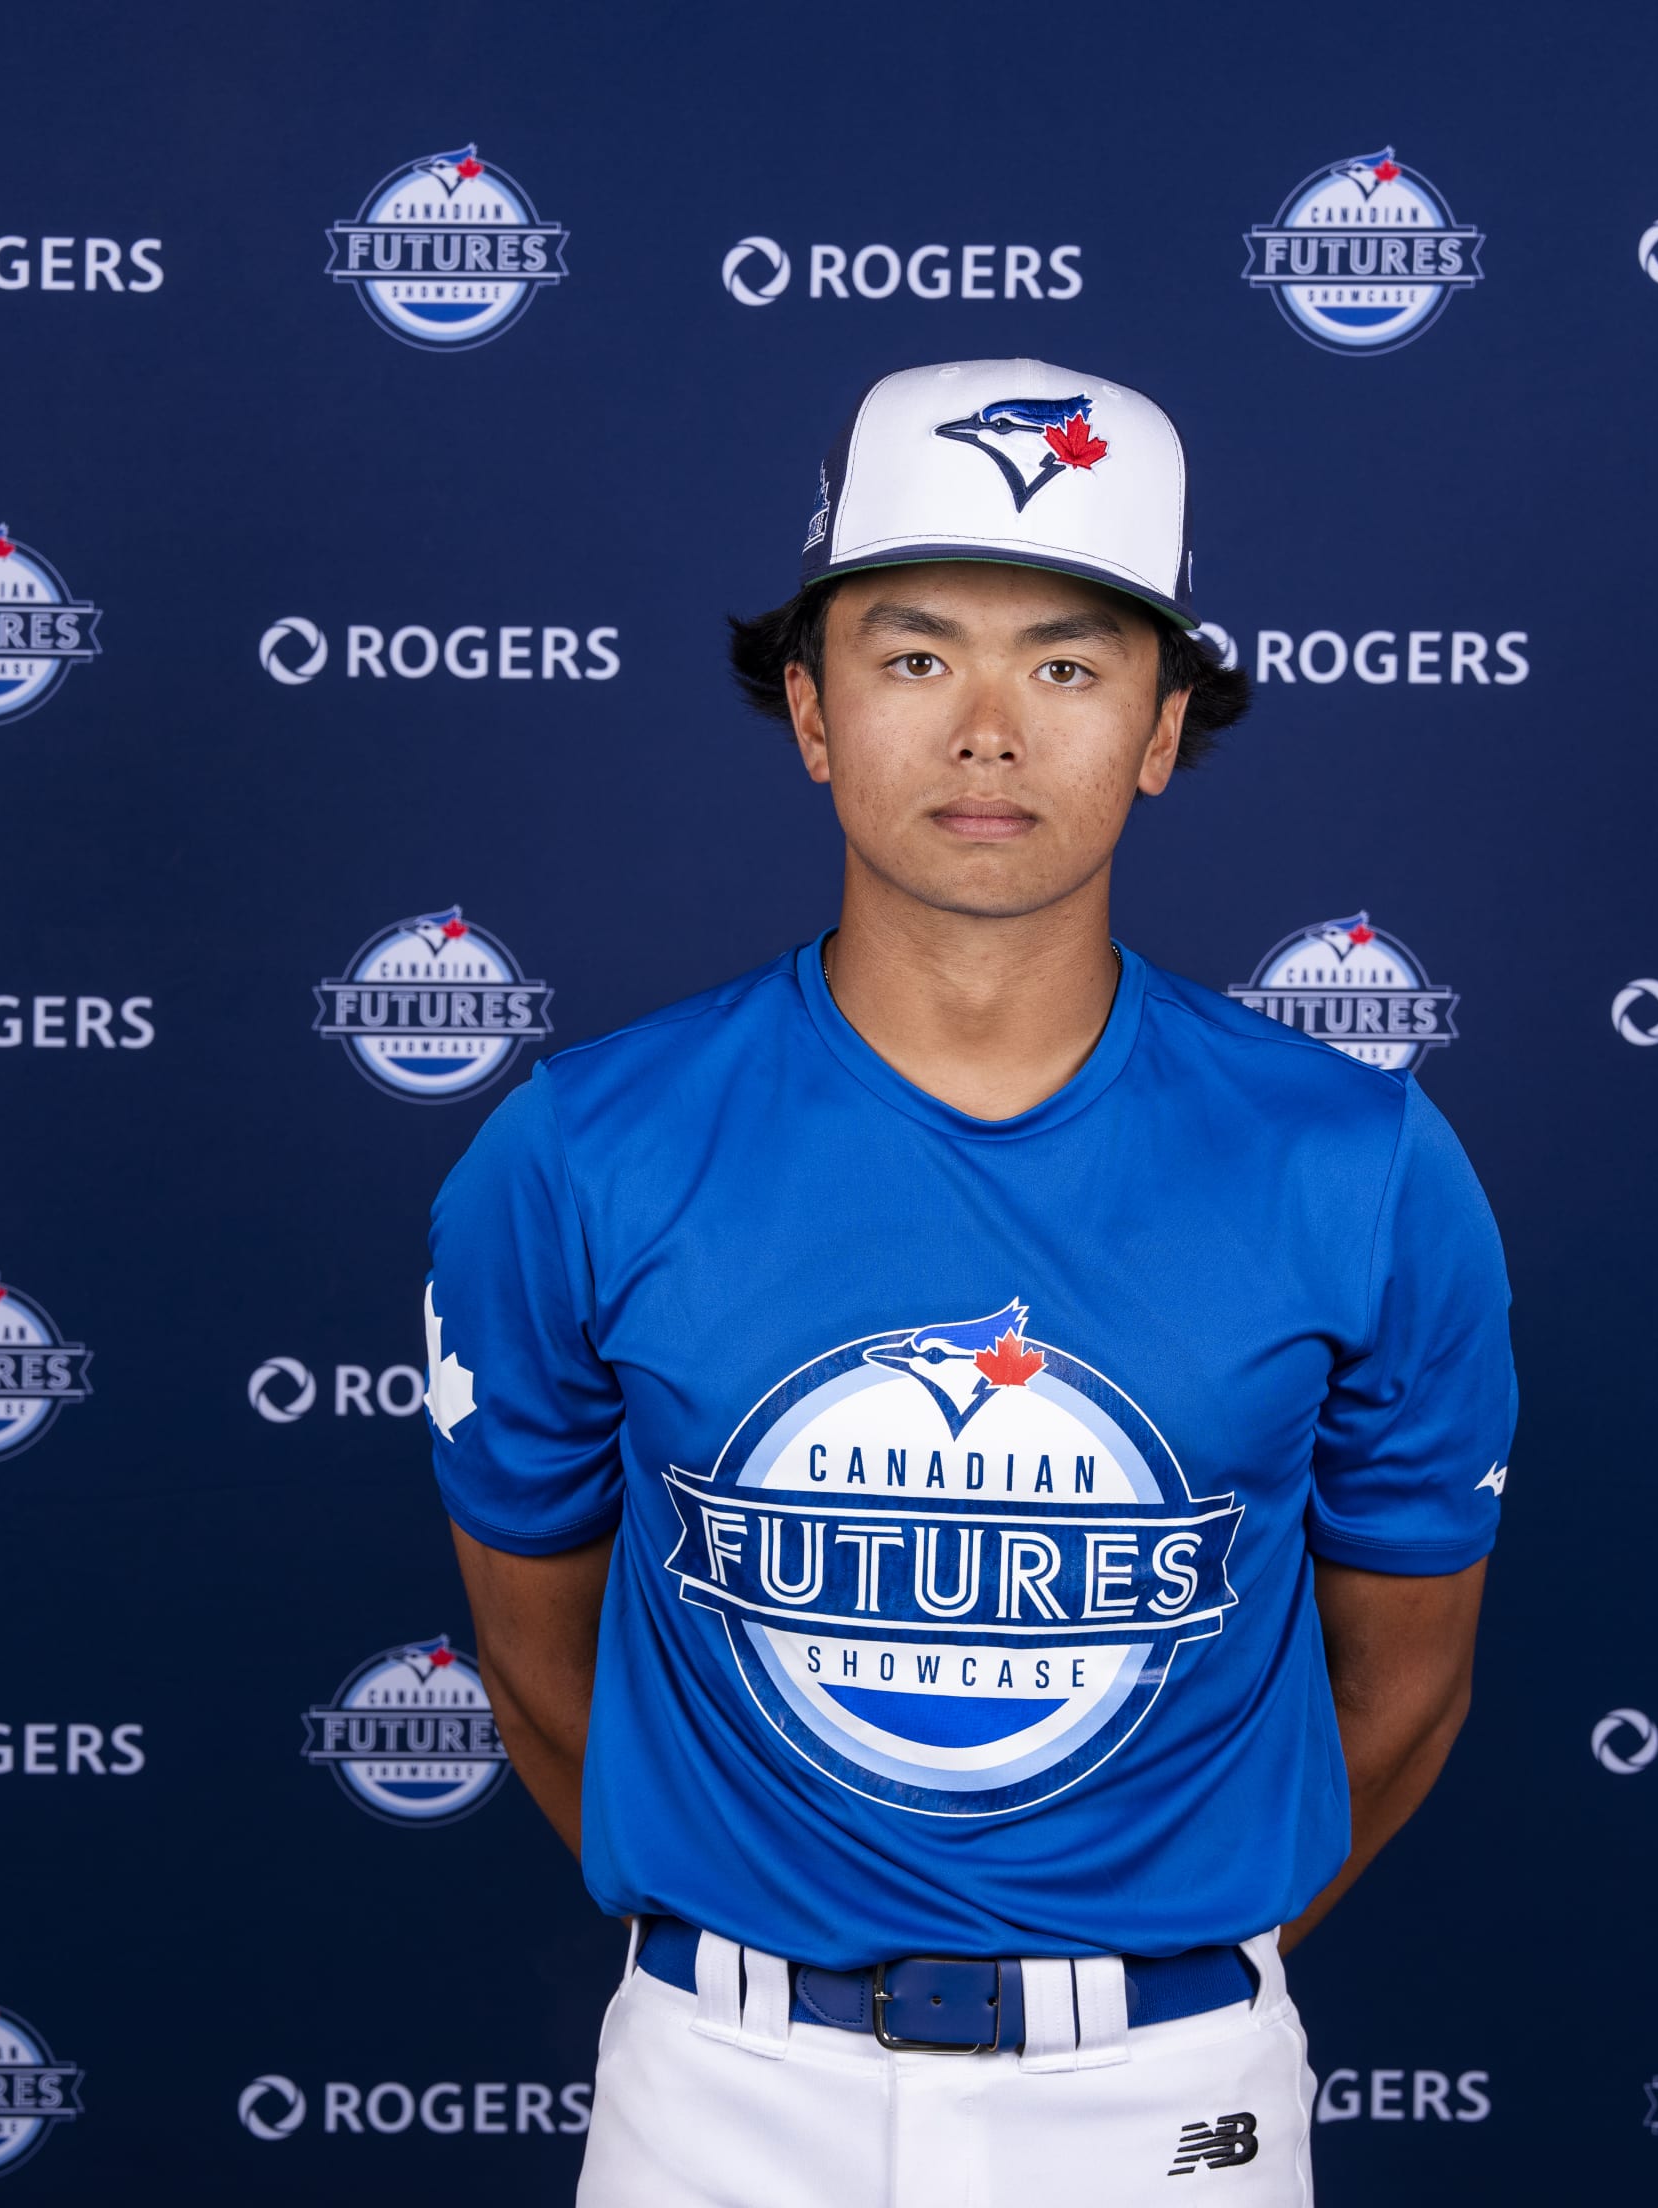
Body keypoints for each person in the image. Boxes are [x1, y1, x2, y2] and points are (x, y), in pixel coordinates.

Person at [424, 357, 1516, 2206]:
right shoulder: (583, 1147)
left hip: (1172, 2099)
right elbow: (538, 1666)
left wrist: (1151, 1981)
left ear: (1163, 726)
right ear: (811, 710)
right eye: (917, 656)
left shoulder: (1358, 1163)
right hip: (720, 2094)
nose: (990, 733)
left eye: (1068, 667)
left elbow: (1403, 1693)